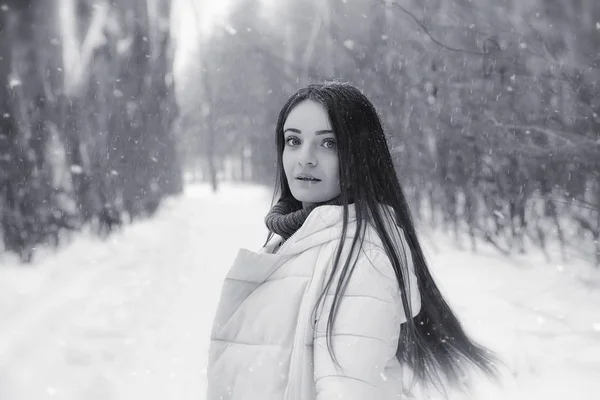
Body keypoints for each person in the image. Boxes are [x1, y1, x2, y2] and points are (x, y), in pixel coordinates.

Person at [207, 81, 498, 399]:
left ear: (359, 155)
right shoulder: (297, 242)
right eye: (293, 140)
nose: (305, 158)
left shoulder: (361, 257)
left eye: (328, 143)